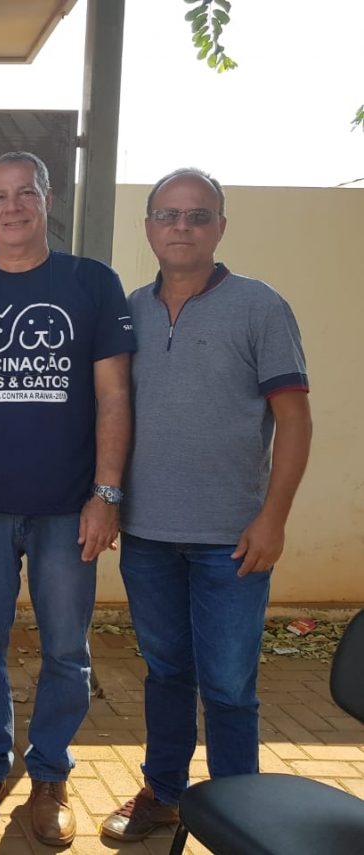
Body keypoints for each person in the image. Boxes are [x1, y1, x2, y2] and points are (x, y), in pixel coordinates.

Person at [0, 151, 135, 845]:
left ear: (46, 201)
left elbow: (114, 395)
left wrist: (106, 494)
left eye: (25, 194)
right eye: (0, 196)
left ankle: (49, 775)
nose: (12, 207)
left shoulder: (91, 283)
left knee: (66, 649)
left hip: (69, 509)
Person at [100, 168, 312, 842]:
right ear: (148, 227)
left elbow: (295, 420)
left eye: (197, 215)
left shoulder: (260, 306)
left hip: (233, 539)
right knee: (166, 673)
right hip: (147, 534)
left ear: (220, 225)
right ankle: (163, 792)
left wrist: (273, 518)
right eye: (168, 214)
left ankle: (239, 816)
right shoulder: (130, 309)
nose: (182, 227)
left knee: (227, 686)